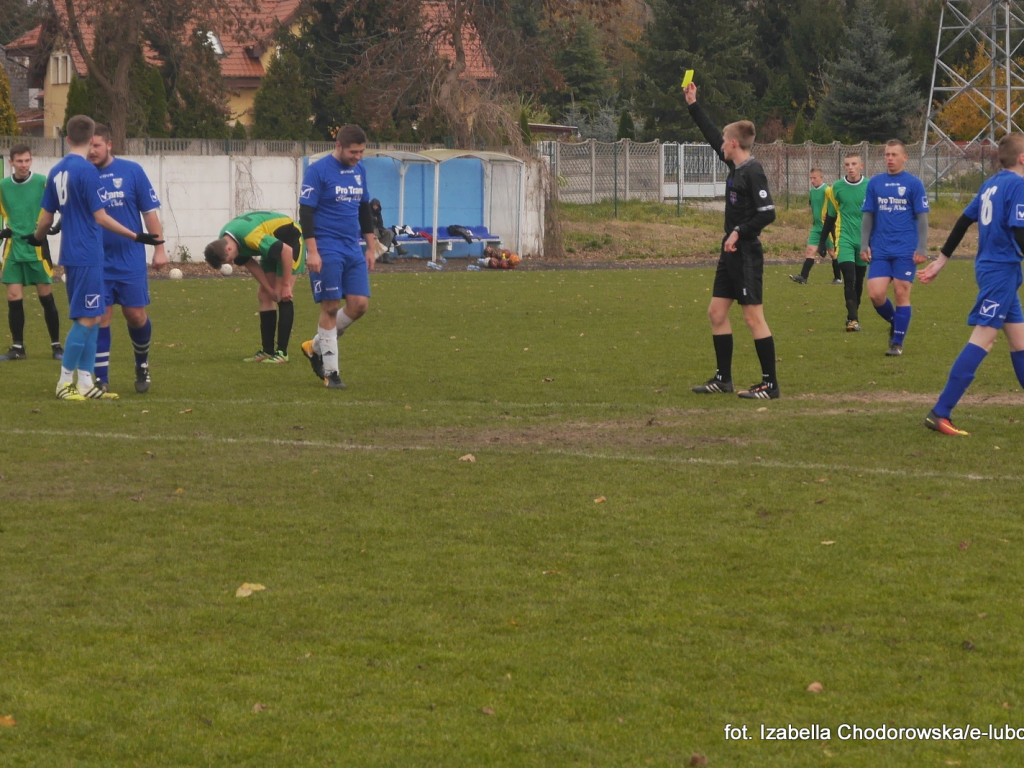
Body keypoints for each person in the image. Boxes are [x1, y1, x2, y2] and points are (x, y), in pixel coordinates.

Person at [28, 114, 163, 401]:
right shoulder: (87, 171)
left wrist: (37, 238)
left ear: (66, 139)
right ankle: (66, 382)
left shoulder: (56, 170)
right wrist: (136, 236)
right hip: (87, 254)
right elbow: (100, 217)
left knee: (95, 314)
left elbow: (46, 217)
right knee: (89, 319)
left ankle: (87, 382)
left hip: (80, 254)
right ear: (91, 140)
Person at [918, 133, 1024, 436]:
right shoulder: (1018, 185)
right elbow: (1019, 232)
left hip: (998, 269)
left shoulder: (991, 184)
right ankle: (940, 412)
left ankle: (941, 411)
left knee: (1019, 341)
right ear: (1022, 158)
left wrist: (941, 260)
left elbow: (964, 221)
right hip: (999, 271)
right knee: (984, 339)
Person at [683, 81, 780, 400]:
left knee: (753, 317)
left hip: (747, 254)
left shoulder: (753, 172)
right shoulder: (735, 166)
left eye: (726, 140)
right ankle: (723, 379)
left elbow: (768, 213)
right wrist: (693, 105)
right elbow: (712, 136)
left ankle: (770, 384)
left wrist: (739, 231)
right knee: (716, 312)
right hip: (730, 256)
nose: (721, 144)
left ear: (735, 143)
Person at [88, 124, 168, 393]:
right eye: (88, 145)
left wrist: (159, 248)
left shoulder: (132, 171)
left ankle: (142, 364)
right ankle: (101, 378)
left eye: (97, 145)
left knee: (135, 315)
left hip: (129, 259)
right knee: (102, 316)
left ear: (109, 144)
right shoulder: (81, 174)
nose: (92, 150)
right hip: (97, 260)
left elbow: (149, 212)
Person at [298, 124, 378, 390]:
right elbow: (306, 213)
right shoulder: (317, 171)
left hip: (351, 247)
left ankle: (315, 346)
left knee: (359, 306)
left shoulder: (359, 171)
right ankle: (331, 373)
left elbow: (364, 209)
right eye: (353, 152)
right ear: (339, 146)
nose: (357, 157)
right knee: (330, 307)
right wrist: (312, 250)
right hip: (326, 247)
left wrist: (370, 245)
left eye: (361, 152)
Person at [204, 210, 304, 363]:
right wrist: (269, 289)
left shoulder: (250, 237)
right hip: (273, 245)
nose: (231, 263)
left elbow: (286, 251)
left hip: (290, 241)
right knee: (265, 295)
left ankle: (282, 353)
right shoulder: (225, 239)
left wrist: (285, 285)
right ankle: (267, 351)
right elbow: (250, 264)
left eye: (228, 260)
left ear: (228, 249)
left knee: (283, 295)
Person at [861, 139, 929, 356]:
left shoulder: (914, 184)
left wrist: (922, 248)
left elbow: (922, 218)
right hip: (880, 248)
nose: (889, 158)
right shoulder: (875, 183)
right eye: (887, 154)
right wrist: (864, 244)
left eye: (894, 154)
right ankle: (895, 322)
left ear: (904, 158)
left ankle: (897, 342)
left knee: (901, 292)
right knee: (875, 294)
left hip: (905, 249)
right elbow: (868, 216)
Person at [0, 143, 64, 361]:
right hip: (13, 249)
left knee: (46, 296)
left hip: (37, 248)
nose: (24, 165)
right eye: (19, 161)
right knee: (13, 296)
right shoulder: (3, 186)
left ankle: (56, 346)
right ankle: (18, 348)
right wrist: (4, 230)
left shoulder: (42, 182)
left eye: (27, 160)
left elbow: (61, 202)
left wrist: (58, 223)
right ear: (11, 163)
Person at [818, 153, 870, 332]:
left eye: (854, 164)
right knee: (849, 279)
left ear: (861, 166)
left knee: (859, 282)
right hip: (844, 238)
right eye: (847, 164)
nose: (850, 167)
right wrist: (822, 241)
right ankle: (852, 320)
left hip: (864, 241)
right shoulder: (836, 188)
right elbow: (830, 217)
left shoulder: (870, 186)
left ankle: (854, 314)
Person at [789, 168, 841, 285]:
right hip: (816, 227)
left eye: (814, 178)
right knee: (810, 250)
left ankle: (838, 278)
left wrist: (830, 218)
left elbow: (835, 207)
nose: (812, 181)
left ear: (821, 177)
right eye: (811, 178)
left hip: (827, 227)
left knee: (832, 253)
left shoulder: (828, 190)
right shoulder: (812, 192)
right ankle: (803, 277)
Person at [368, 198, 408, 263]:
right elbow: (367, 224)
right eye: (374, 205)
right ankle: (398, 248)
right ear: (371, 205)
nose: (375, 207)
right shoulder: (367, 212)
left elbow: (380, 224)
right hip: (370, 231)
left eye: (377, 206)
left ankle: (387, 257)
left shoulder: (378, 213)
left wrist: (382, 231)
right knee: (388, 234)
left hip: (378, 230)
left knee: (389, 233)